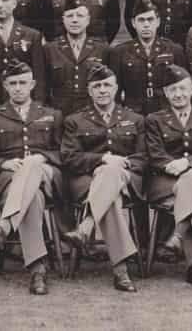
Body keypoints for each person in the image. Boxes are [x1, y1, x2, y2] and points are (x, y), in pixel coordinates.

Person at [0, 61, 65, 295]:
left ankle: (3, 226)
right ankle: (38, 269)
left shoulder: (52, 114)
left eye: (23, 83)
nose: (18, 88)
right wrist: (3, 163)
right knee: (33, 199)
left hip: (46, 174)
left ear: (33, 85)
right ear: (5, 86)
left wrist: (39, 159)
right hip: (8, 180)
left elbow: (64, 153)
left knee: (33, 164)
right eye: (13, 83)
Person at [60, 64, 146, 293]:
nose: (102, 90)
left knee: (112, 175)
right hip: (86, 181)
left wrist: (122, 163)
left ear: (116, 88)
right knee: (111, 197)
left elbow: (145, 158)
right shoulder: (75, 120)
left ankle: (86, 226)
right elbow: (69, 158)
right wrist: (102, 160)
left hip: (127, 180)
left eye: (107, 85)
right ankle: (121, 270)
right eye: (96, 86)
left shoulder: (134, 119)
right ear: (89, 91)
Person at [144, 65, 192, 289]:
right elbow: (154, 153)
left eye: (182, 89)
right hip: (166, 182)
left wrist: (189, 163)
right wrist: (174, 166)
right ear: (165, 93)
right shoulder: (154, 120)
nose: (178, 94)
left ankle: (178, 236)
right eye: (172, 90)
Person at [108, 0, 187, 115]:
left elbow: (183, 86)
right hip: (132, 114)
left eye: (150, 19)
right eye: (141, 20)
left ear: (158, 22)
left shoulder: (174, 50)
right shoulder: (119, 52)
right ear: (133, 23)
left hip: (166, 113)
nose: (146, 25)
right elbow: (115, 93)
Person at [42, 0, 110, 116]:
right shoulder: (49, 49)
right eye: (69, 16)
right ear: (63, 20)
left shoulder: (102, 49)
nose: (74, 20)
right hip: (59, 113)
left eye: (80, 16)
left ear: (88, 20)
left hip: (93, 114)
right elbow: (42, 87)